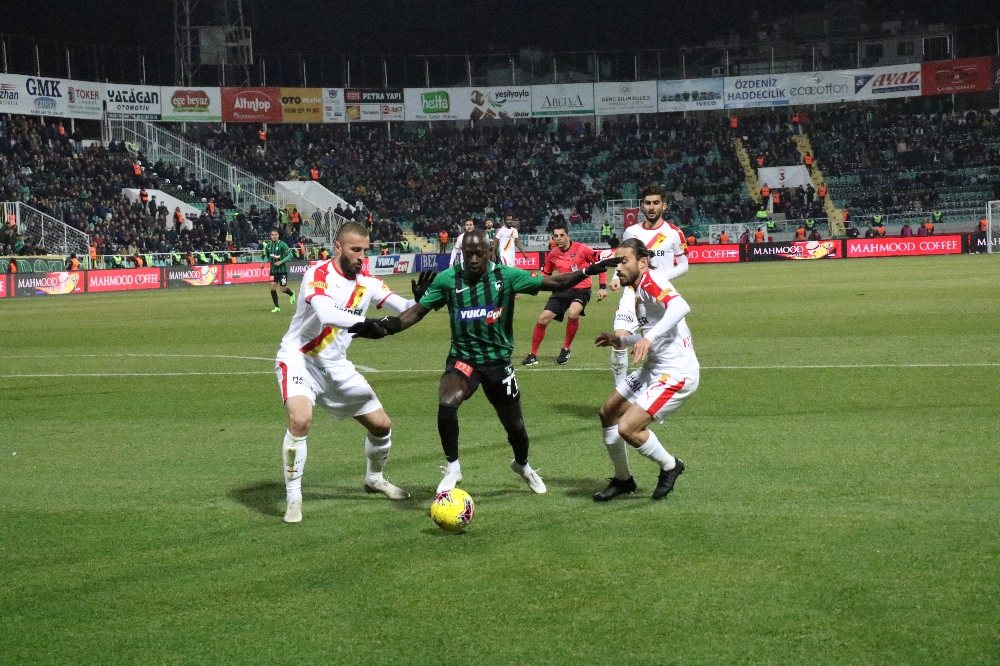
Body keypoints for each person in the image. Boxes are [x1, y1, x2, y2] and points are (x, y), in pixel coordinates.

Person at [348, 229, 622, 494]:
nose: (474, 260)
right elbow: (415, 313)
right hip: (463, 359)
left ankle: (523, 465)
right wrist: (383, 327)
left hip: (498, 363)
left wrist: (587, 271)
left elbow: (555, 283)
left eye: (480, 254)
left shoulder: (507, 276)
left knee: (515, 427)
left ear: (490, 251)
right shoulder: (447, 279)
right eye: (469, 254)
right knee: (447, 401)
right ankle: (453, 467)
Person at [276, 221, 436, 523]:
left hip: (336, 367)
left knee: (381, 426)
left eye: (365, 250)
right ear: (338, 247)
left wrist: (421, 300)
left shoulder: (369, 283)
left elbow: (403, 308)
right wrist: (367, 324)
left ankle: (374, 479)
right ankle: (293, 496)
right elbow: (325, 313)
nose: (362, 256)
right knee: (300, 419)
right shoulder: (318, 274)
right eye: (355, 250)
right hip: (300, 359)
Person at [592, 238, 698, 502]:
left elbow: (681, 306)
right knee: (608, 413)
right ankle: (623, 480)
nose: (618, 268)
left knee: (627, 428)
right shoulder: (638, 290)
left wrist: (647, 339)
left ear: (642, 262)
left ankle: (671, 465)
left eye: (623, 261)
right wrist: (621, 340)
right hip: (654, 368)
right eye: (616, 262)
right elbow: (649, 334)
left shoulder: (651, 281)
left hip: (676, 373)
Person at [608, 185, 688, 387]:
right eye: (647, 203)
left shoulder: (674, 233)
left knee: (659, 343)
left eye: (656, 203)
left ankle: (665, 381)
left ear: (664, 205)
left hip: (658, 296)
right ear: (642, 206)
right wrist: (616, 276)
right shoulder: (631, 231)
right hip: (632, 292)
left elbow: (684, 264)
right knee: (619, 338)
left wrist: (660, 280)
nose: (651, 207)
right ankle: (620, 388)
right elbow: (623, 259)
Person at [522, 223, 608, 366]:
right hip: (562, 289)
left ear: (568, 235)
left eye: (562, 235)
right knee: (543, 318)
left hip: (582, 289)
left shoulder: (582, 249)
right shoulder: (552, 254)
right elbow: (546, 274)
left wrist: (603, 287)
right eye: (556, 236)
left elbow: (600, 264)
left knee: (573, 312)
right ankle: (533, 354)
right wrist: (533, 283)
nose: (559, 238)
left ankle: (566, 348)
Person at [262, 229, 295, 313]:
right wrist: (264, 262)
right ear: (270, 236)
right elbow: (267, 256)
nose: (274, 236)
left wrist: (281, 261)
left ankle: (291, 293)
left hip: (282, 270)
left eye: (275, 234)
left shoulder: (282, 244)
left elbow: (290, 255)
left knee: (283, 289)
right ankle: (277, 307)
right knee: (272, 287)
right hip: (273, 269)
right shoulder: (268, 245)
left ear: (278, 235)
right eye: (272, 234)